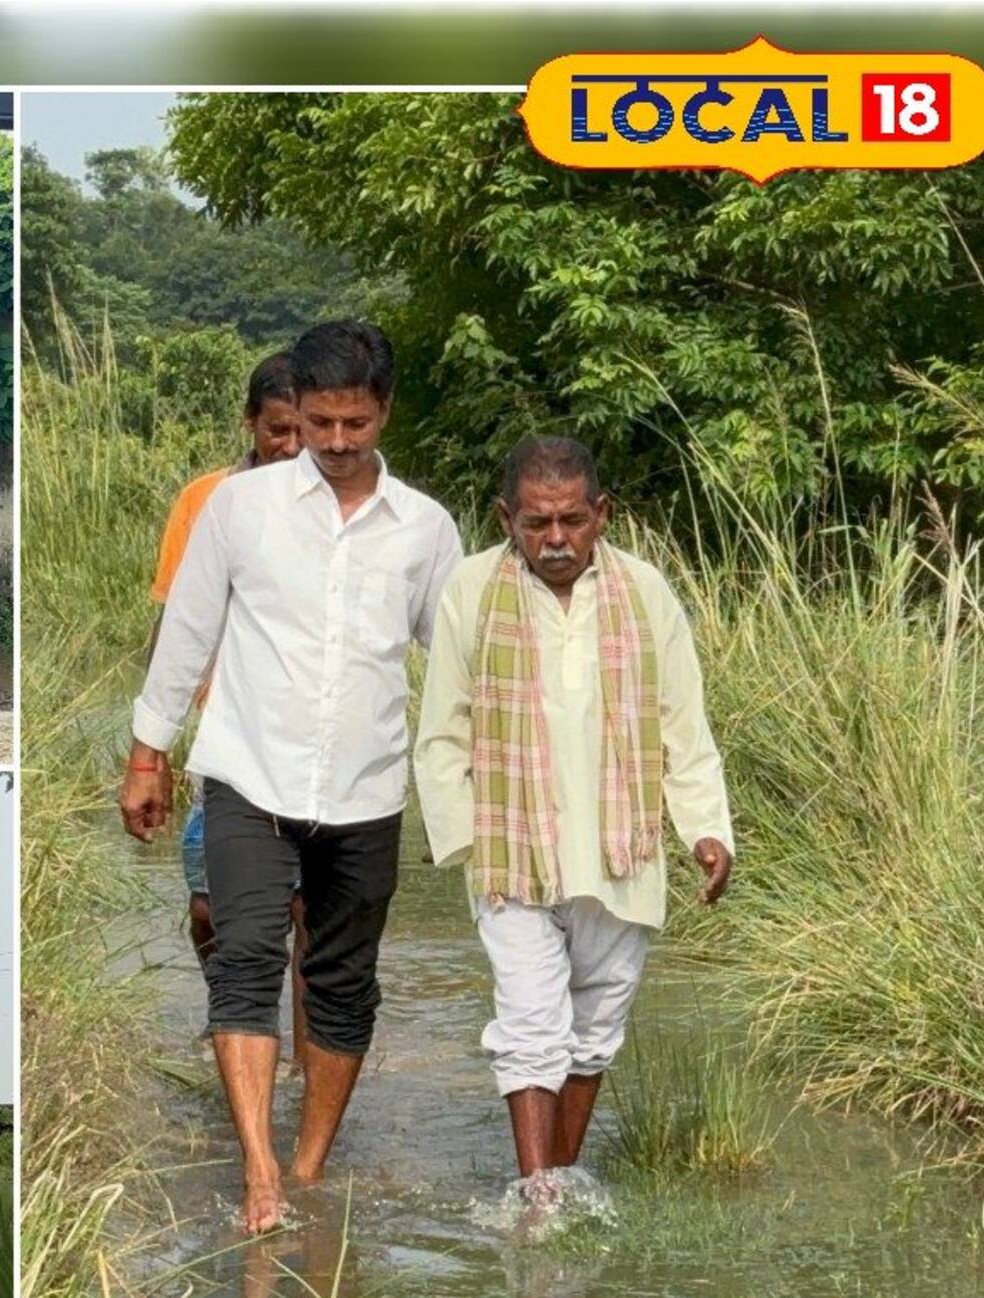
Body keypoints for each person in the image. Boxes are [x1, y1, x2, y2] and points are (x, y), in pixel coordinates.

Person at [121, 320, 464, 1234]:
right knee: (244, 963)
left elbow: (459, 659)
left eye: (355, 422)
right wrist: (147, 756)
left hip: (366, 790)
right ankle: (261, 1170)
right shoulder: (243, 508)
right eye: (319, 423)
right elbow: (187, 632)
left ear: (385, 410)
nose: (339, 442)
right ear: (296, 417)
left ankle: (309, 1166)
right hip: (248, 776)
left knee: (346, 983)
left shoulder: (427, 530)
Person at [413, 435, 734, 1186]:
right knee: (530, 1028)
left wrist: (706, 829)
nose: (554, 540)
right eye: (535, 524)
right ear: (505, 519)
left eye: (570, 521)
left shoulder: (647, 593)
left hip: (621, 850)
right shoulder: (471, 591)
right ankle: (538, 1198)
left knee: (593, 1031)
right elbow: (442, 729)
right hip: (513, 845)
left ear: (602, 513)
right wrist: (468, 844)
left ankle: (559, 1175)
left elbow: (683, 725)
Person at [148, 351, 307, 1062]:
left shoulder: (341, 506)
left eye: (307, 430)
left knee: (310, 915)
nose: (295, 447)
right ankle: (232, 1006)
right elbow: (175, 625)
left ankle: (303, 1056)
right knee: (212, 903)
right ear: (251, 424)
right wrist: (150, 745)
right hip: (227, 740)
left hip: (313, 741)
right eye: (280, 430)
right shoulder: (205, 501)